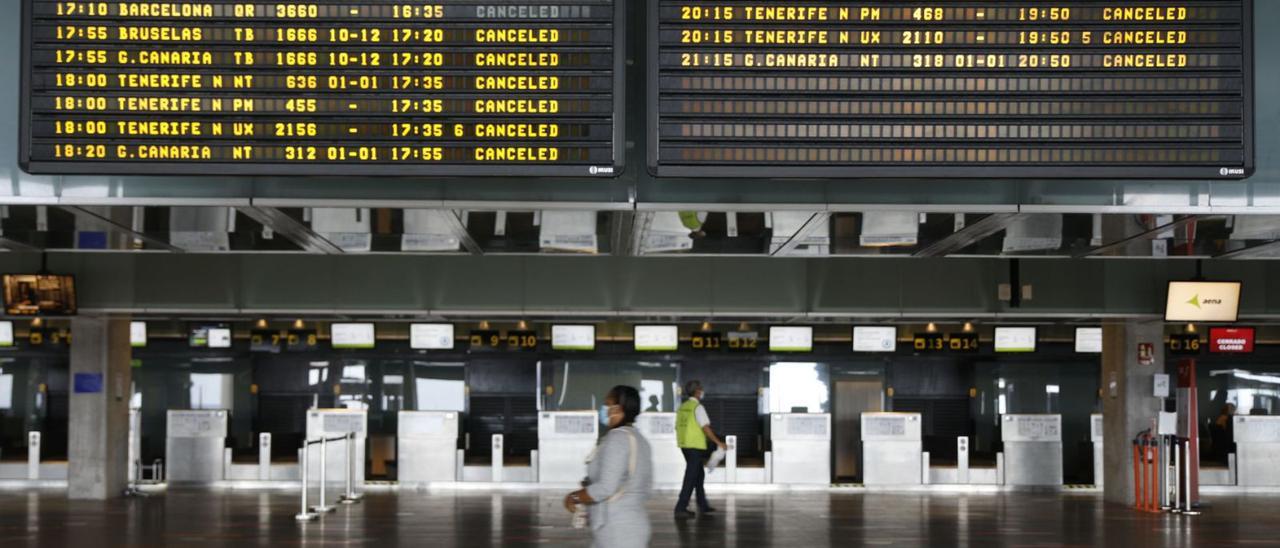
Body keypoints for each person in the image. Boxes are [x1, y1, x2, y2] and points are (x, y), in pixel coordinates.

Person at [564, 385, 653, 548]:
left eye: (608, 404)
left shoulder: (617, 439)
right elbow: (646, 488)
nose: (605, 409)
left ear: (618, 408)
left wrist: (574, 497)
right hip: (631, 524)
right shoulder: (640, 440)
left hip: (618, 530)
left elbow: (605, 488)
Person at [673, 380, 726, 518]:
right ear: (697, 391)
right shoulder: (697, 407)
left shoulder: (682, 407)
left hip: (684, 445)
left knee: (698, 474)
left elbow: (677, 426)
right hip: (695, 446)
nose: (702, 391)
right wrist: (718, 442)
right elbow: (705, 427)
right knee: (691, 476)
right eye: (701, 389)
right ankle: (680, 508)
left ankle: (703, 505)